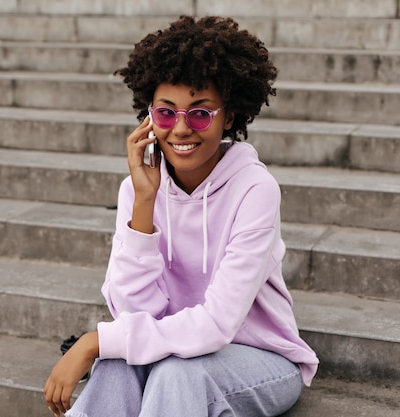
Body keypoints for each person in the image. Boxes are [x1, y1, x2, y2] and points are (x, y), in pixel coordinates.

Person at [44, 15, 319, 417]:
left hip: (260, 358)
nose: (181, 129)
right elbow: (133, 314)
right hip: (171, 349)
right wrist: (143, 205)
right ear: (149, 118)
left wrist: (94, 341)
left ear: (229, 117)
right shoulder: (136, 190)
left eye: (200, 113)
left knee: (173, 373)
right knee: (116, 368)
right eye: (167, 113)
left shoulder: (255, 190)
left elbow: (216, 325)